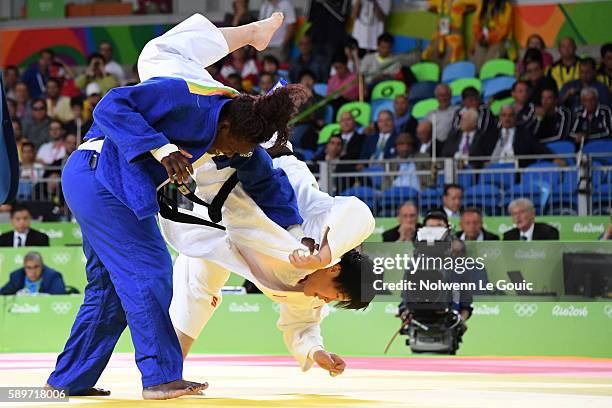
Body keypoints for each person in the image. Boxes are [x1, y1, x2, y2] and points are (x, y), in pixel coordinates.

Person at [46, 12, 305, 399]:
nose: (232, 155)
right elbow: (110, 105)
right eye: (235, 147)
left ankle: (67, 382)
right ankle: (161, 377)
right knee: (149, 269)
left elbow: (268, 184)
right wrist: (162, 147)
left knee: (110, 291)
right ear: (229, 126)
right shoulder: (186, 97)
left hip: (106, 187)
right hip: (98, 175)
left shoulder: (242, 132)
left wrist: (298, 233)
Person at [160, 139, 376, 375]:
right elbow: (360, 213)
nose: (325, 301)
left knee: (199, 286)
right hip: (264, 154)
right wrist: (322, 257)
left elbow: (303, 323)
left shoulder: (308, 295)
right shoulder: (321, 228)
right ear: (335, 269)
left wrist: (316, 351)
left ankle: (167, 371)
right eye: (335, 295)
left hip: (225, 214)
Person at [422, 0, 476, 67]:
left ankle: (449, 74)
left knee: (453, 59)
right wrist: (440, 10)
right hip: (441, 30)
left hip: (454, 31)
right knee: (435, 56)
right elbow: (428, 7)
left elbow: (474, 6)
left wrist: (461, 10)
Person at [470, 0, 513, 70]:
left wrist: (488, 37)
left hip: (500, 41)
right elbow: (475, 25)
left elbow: (504, 31)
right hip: (483, 40)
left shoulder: (506, 7)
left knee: (488, 67)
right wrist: (480, 37)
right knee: (477, 67)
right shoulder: (482, 5)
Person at [0, 252, 65, 295]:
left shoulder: (53, 276)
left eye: (36, 267)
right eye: (28, 267)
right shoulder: (16, 276)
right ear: (24, 268)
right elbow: (2, 294)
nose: (33, 271)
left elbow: (59, 295)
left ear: (42, 266)